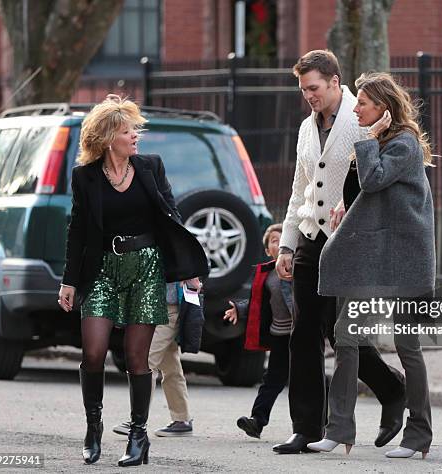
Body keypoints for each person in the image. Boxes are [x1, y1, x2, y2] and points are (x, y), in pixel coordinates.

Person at [58, 95, 208, 467]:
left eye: (135, 130)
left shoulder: (150, 167)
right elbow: (77, 230)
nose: (135, 137)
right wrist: (69, 281)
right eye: (128, 131)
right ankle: (94, 428)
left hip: (146, 268)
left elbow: (171, 218)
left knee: (136, 357)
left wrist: (189, 269)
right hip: (102, 270)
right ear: (109, 138)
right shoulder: (85, 177)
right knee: (93, 352)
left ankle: (138, 437)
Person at [272, 50, 406, 455]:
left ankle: (392, 389)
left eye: (313, 88)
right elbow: (301, 187)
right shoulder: (305, 128)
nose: (308, 96)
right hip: (312, 240)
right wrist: (287, 244)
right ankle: (306, 428)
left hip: (349, 242)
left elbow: (376, 180)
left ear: (334, 81)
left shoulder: (361, 117)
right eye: (303, 90)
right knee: (303, 334)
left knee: (339, 332)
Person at [310, 72, 436, 459]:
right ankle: (339, 429)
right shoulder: (381, 141)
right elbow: (367, 191)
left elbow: (375, 179)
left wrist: (367, 143)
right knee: (345, 336)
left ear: (383, 108)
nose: (355, 108)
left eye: (362, 103)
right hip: (371, 257)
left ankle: (417, 437)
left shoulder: (404, 143)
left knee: (407, 345)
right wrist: (345, 207)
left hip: (405, 259)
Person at [223, 224, 292, 439]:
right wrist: (240, 308)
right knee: (272, 380)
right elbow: (257, 302)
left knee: (310, 380)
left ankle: (323, 424)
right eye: (274, 240)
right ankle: (257, 421)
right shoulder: (267, 273)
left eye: (283, 239)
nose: (279, 243)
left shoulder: (298, 269)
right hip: (279, 336)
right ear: (268, 250)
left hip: (300, 335)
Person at [112, 280, 202, 438]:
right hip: (153, 309)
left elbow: (196, 260)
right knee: (171, 366)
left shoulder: (179, 255)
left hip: (169, 310)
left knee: (146, 362)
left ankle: (137, 421)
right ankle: (182, 420)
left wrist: (191, 274)